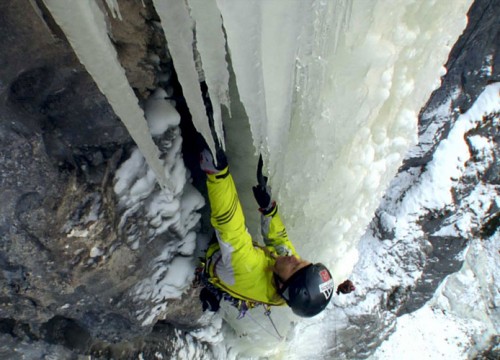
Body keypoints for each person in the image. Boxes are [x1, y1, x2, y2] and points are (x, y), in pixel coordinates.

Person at [198, 148, 354, 318]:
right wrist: (269, 211)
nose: (295, 258)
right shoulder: (289, 277)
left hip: (212, 255)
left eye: (295, 265)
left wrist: (218, 175)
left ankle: (213, 291)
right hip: (243, 268)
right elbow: (280, 242)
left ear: (282, 286)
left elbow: (229, 225)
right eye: (301, 261)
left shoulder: (248, 269)